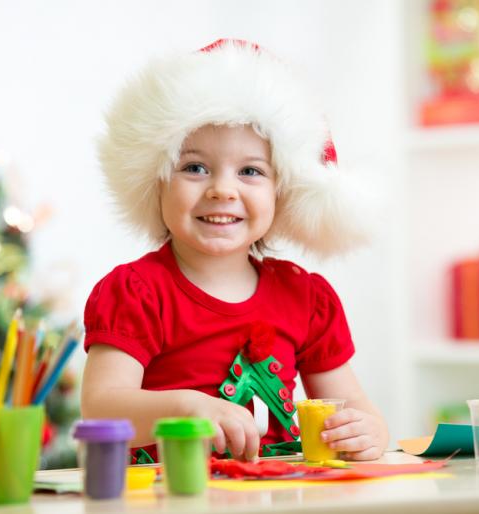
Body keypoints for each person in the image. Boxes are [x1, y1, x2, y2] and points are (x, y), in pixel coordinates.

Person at [81, 39, 388, 462]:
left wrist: (368, 429)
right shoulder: (136, 292)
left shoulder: (306, 298)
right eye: (194, 167)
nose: (222, 189)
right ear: (156, 181)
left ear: (283, 191)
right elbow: (101, 410)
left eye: (250, 171)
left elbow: (351, 407)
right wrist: (186, 407)